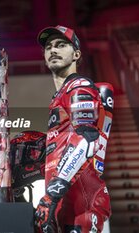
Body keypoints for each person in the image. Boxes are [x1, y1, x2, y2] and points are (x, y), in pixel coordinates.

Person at [34, 26, 114, 233]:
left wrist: (52, 194)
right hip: (66, 200)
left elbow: (86, 138)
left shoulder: (78, 87)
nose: (53, 50)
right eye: (49, 47)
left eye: (61, 45)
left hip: (82, 201)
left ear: (76, 54)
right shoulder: (60, 95)